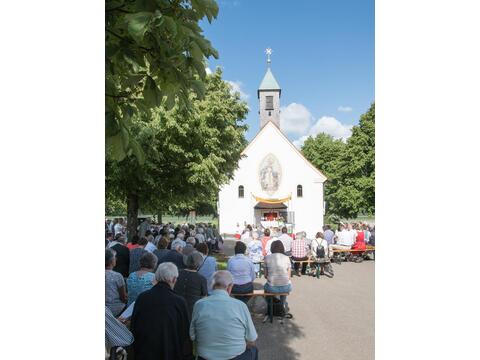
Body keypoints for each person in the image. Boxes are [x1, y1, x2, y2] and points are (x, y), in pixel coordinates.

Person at [190, 271, 258, 360]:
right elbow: (252, 340)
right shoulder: (240, 306)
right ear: (229, 287)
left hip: (205, 357)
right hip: (235, 356)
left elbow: (192, 336)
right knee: (253, 349)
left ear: (212, 286)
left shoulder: (199, 305)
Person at [131, 262, 193, 360]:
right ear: (173, 279)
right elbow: (184, 331)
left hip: (145, 351)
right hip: (171, 352)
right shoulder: (179, 302)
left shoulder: (142, 298)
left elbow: (134, 326)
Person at [174, 252, 208, 317]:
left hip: (175, 309)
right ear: (200, 264)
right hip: (192, 313)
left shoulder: (177, 273)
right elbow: (204, 299)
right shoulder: (202, 279)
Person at [263, 240, 292, 307]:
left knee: (266, 287)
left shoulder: (267, 258)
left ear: (272, 248)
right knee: (285, 284)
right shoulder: (287, 258)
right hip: (286, 287)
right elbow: (289, 276)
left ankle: (270, 305)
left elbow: (265, 275)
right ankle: (282, 304)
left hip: (272, 287)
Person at [105, 249, 127, 316]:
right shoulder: (117, 276)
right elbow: (123, 298)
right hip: (115, 309)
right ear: (111, 260)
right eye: (115, 257)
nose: (116, 259)